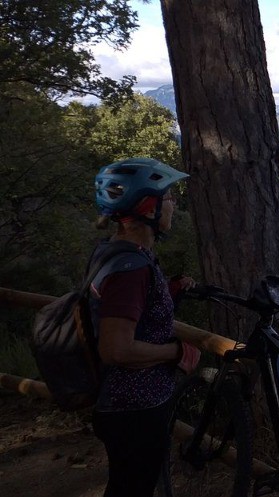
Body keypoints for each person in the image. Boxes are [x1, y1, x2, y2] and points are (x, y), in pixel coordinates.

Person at [89, 157, 201, 497]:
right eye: (168, 198)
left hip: (119, 403)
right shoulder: (131, 267)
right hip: (133, 406)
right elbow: (117, 348)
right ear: (147, 206)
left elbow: (129, 310)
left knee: (127, 484)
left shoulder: (117, 252)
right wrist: (176, 351)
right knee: (131, 488)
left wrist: (171, 290)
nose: (173, 204)